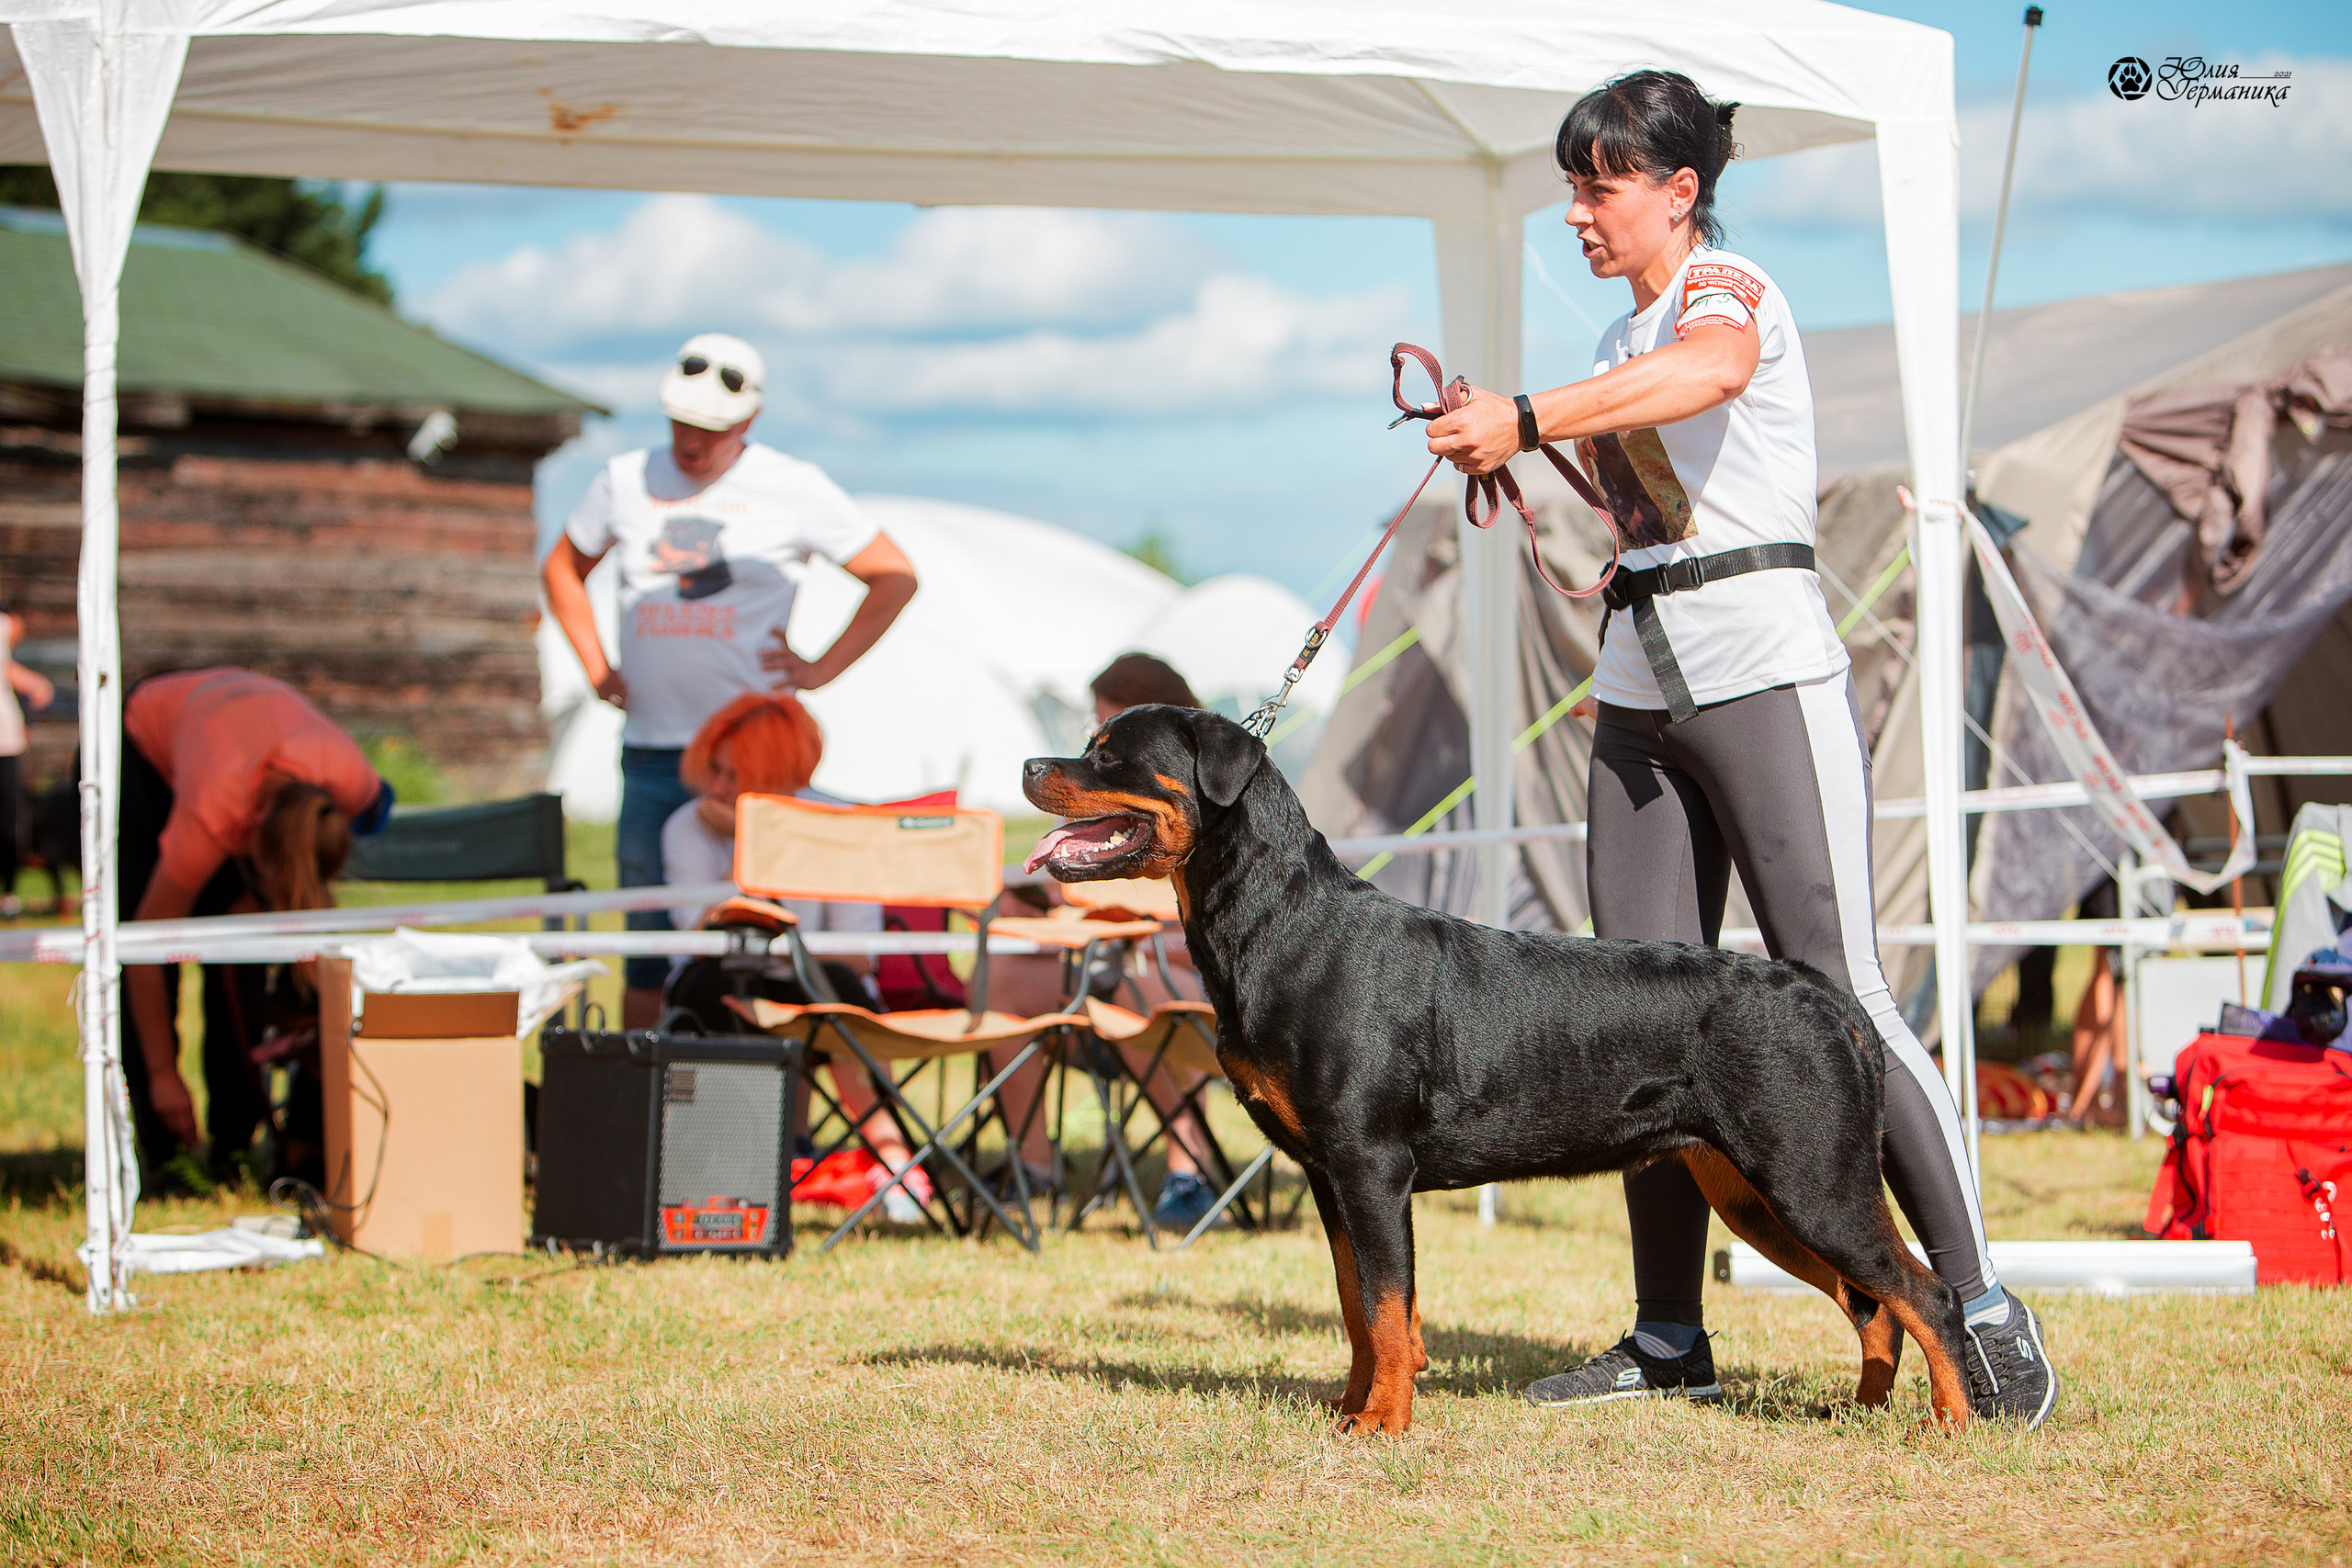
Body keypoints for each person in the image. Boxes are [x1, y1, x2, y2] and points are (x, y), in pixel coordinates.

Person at [1423, 70, 2057, 1426]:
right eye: (1576, 183)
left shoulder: (1732, 295)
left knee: (1842, 988)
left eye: (1599, 183)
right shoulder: (1616, 331)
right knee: (1628, 1007)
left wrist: (1529, 418)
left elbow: (1708, 377)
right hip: (1639, 680)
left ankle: (1980, 1298)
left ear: (1678, 190)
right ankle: (1668, 1334)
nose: (1579, 208)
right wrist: (1517, 450)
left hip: (1763, 666)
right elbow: (1641, 475)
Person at [543, 333, 917, 1030]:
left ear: (748, 421)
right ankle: (647, 1088)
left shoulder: (792, 486)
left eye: (712, 428)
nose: (693, 441)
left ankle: (771, 1096)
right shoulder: (624, 478)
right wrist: (596, 666)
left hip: (758, 762)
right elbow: (562, 567)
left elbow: (893, 575)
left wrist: (818, 668)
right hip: (656, 748)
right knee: (654, 942)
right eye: (682, 422)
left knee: (771, 933)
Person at [657, 692, 933, 1224]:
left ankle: (894, 1161)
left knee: (837, 990)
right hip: (724, 988)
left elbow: (858, 957)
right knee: (709, 978)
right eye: (713, 771)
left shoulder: (837, 825)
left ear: (780, 778)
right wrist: (747, 856)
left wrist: (770, 849)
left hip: (816, 987)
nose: (716, 789)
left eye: (733, 776)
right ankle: (711, 1169)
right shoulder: (686, 828)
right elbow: (691, 940)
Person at [119, 668, 395, 1187]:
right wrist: (162, 1075)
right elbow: (140, 948)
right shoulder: (212, 814)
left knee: (241, 954)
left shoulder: (353, 784)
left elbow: (376, 812)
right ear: (251, 836)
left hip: (238, 721)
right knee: (159, 931)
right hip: (147, 738)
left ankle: (233, 1140)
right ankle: (165, 1148)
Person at [991, 653, 1224, 1227]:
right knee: (1004, 982)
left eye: (1112, 742)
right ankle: (1035, 1167)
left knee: (1126, 982)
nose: (1096, 756)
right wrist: (1046, 904)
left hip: (1179, 981)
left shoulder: (1206, 804)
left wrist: (1126, 936)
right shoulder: (1104, 812)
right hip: (1101, 974)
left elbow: (1205, 939)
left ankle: (1188, 1169)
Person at [0, 609, 55, 912]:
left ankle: (8, 893)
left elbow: (33, 685)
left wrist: (28, 710)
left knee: (13, 823)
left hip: (7, 743)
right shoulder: (5, 625)